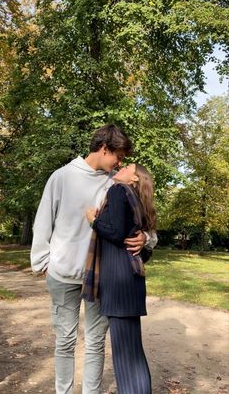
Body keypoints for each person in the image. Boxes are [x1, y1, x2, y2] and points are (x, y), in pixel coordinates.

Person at [30, 124, 153, 394]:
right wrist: (43, 263)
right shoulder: (62, 177)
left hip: (101, 277)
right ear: (104, 149)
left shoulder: (116, 182)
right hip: (62, 274)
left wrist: (146, 238)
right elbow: (43, 222)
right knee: (65, 341)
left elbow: (143, 220)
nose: (121, 163)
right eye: (118, 156)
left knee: (96, 342)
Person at [85, 163, 157, 394]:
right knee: (133, 353)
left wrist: (94, 221)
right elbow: (130, 238)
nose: (122, 167)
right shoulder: (136, 200)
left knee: (126, 357)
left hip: (118, 281)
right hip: (130, 281)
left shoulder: (118, 191)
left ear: (134, 178)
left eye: (127, 167)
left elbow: (116, 234)